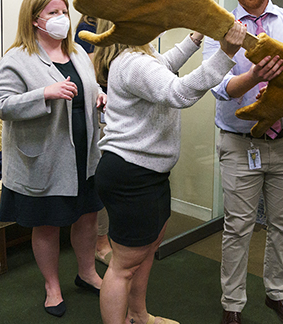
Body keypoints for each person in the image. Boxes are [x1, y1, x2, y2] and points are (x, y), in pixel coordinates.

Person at [95, 20, 246, 324]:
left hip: (148, 173)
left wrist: (195, 38)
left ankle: (139, 315)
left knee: (147, 251)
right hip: (131, 175)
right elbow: (179, 92)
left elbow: (164, 64)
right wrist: (226, 54)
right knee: (124, 266)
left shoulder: (141, 58)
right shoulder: (133, 63)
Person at [203, 0, 283, 324]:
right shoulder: (218, 29)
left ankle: (277, 295)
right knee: (237, 228)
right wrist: (255, 78)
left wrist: (282, 96)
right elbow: (218, 86)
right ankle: (232, 305)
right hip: (240, 143)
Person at [0, 0, 105, 317]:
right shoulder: (16, 58)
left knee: (87, 216)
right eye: (53, 13)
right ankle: (52, 286)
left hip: (84, 153)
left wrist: (99, 97)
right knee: (47, 224)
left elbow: (91, 87)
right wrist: (44, 93)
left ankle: (86, 272)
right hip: (45, 157)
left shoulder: (80, 54)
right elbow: (2, 105)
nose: (62, 19)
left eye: (64, 12)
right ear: (34, 20)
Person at [76, 15, 114, 266]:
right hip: (101, 112)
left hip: (120, 112)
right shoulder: (88, 28)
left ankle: (110, 237)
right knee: (100, 180)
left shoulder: (118, 22)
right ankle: (100, 242)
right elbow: (94, 74)